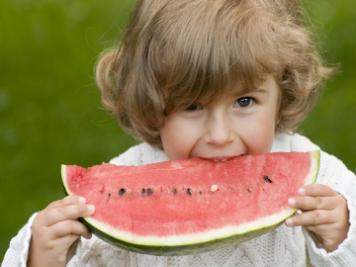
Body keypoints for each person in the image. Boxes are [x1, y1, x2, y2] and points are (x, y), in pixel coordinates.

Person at [3, 0, 356, 266]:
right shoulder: (127, 181)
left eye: (245, 101)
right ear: (152, 103)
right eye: (192, 107)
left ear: (282, 91)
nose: (220, 135)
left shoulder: (319, 179)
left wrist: (342, 233)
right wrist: (40, 256)